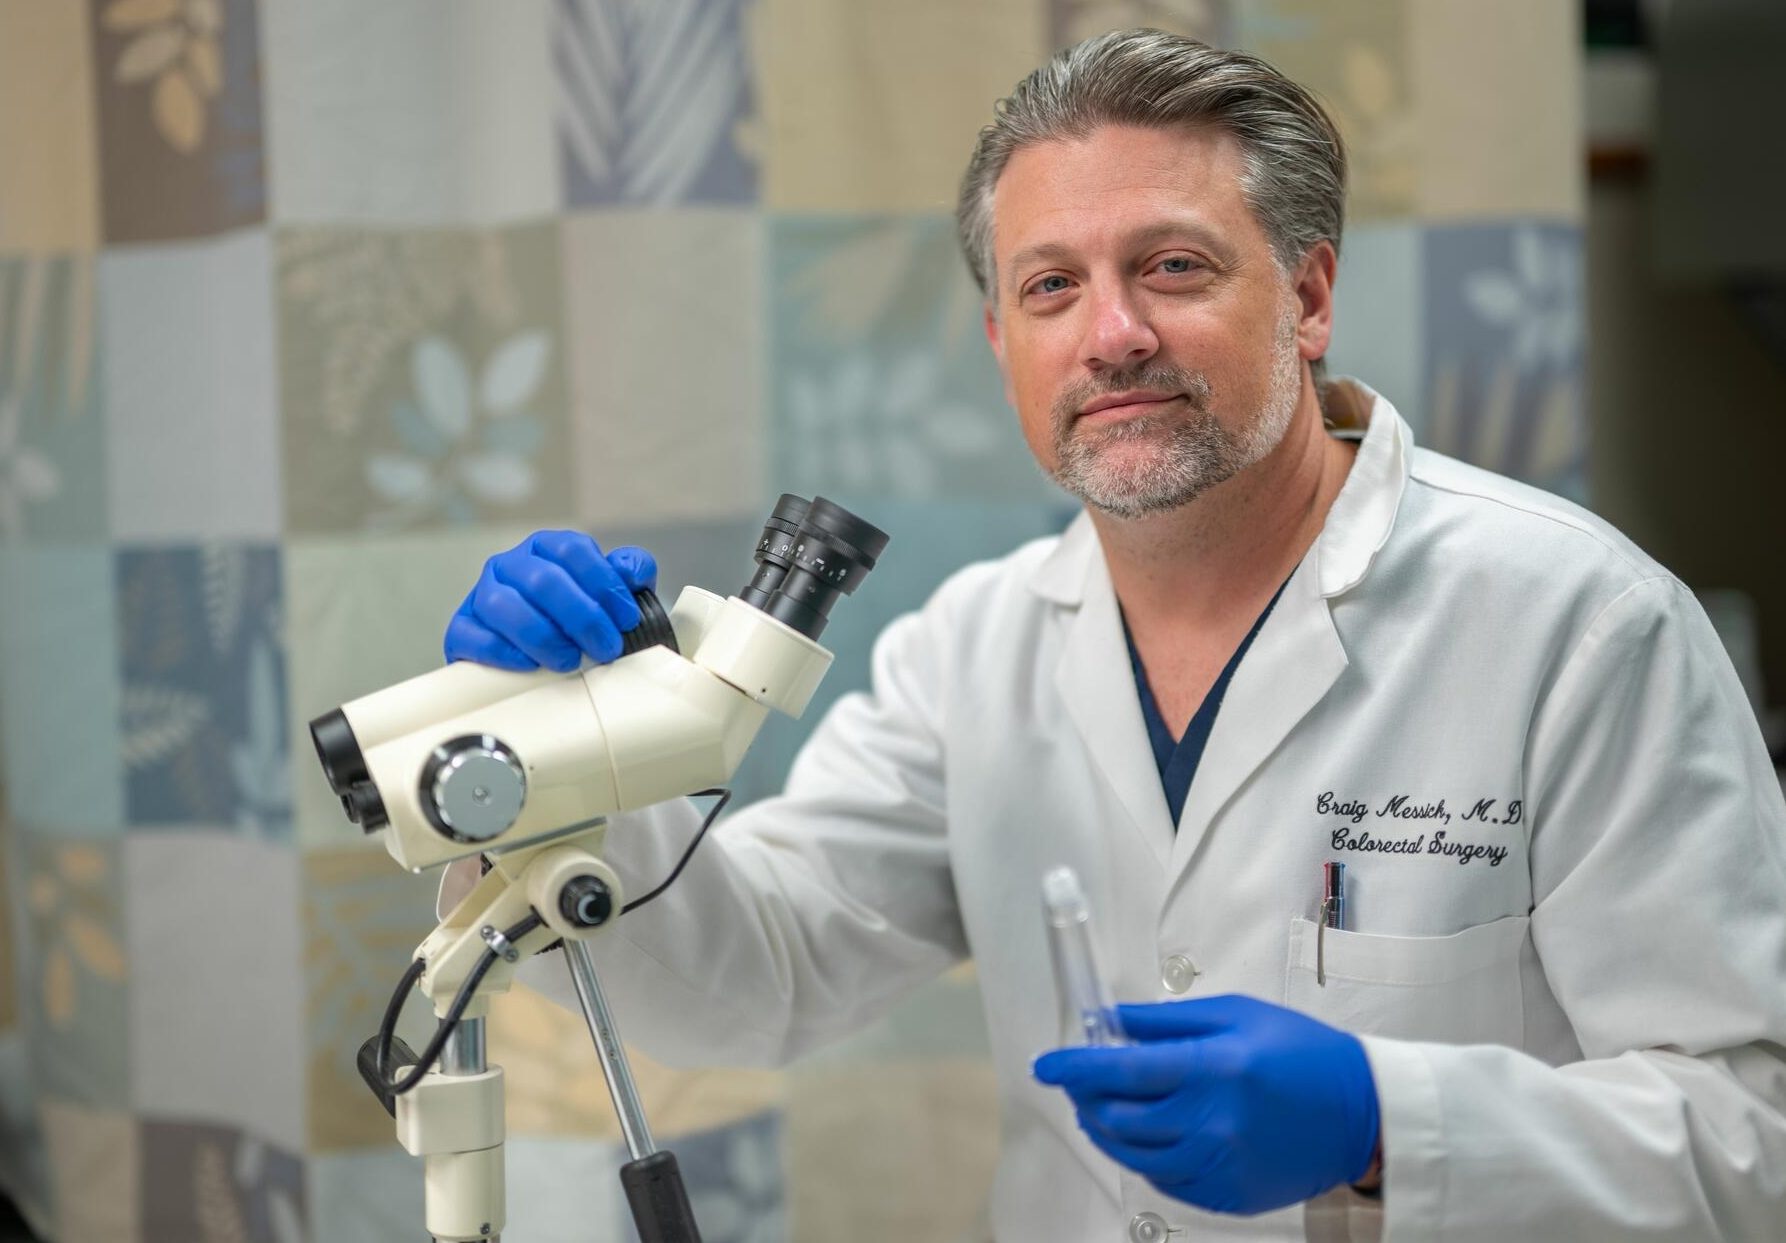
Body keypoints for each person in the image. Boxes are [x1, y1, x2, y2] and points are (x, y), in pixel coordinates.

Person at [439, 29, 1786, 1242]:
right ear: (997, 339)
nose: (1112, 335)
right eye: (1049, 288)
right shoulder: (976, 651)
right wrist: (571, 767)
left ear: (1307, 299)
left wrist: (1387, 1124)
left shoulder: (1575, 626)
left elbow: (1755, 1143)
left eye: (1173, 267)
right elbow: (748, 980)